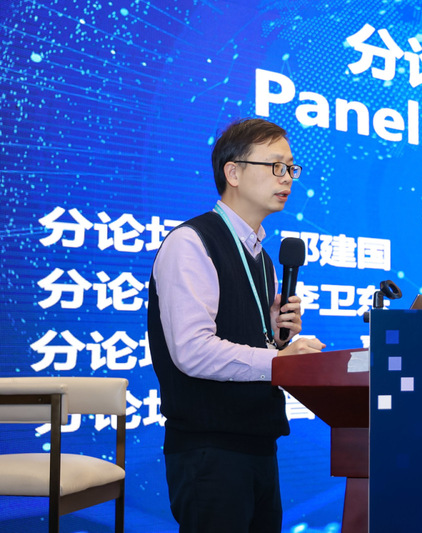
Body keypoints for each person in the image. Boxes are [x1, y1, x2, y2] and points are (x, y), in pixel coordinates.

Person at [148, 118, 325, 532]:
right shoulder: (192, 242)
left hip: (258, 440)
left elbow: (243, 340)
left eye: (291, 168)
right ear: (233, 172)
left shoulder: (263, 258)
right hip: (210, 450)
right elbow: (192, 351)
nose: (287, 177)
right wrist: (280, 360)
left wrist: (274, 334)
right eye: (275, 166)